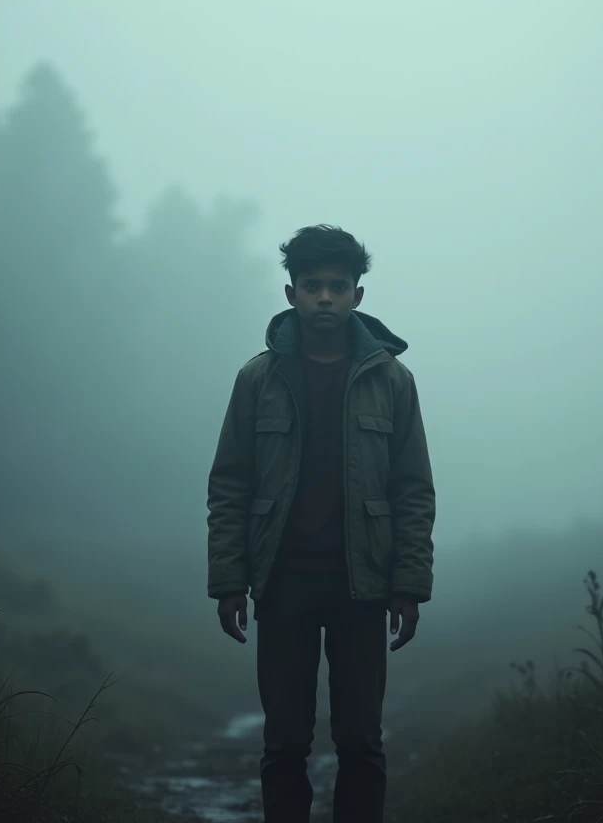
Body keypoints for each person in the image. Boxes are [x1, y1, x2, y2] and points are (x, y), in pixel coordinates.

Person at [207, 224, 436, 823]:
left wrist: (409, 585)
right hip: (282, 583)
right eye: (313, 286)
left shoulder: (392, 380)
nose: (326, 298)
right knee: (284, 743)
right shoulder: (258, 379)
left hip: (363, 585)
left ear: (358, 294)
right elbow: (230, 484)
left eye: (338, 286)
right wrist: (229, 580)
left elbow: (412, 490)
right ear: (292, 294)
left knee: (361, 742)